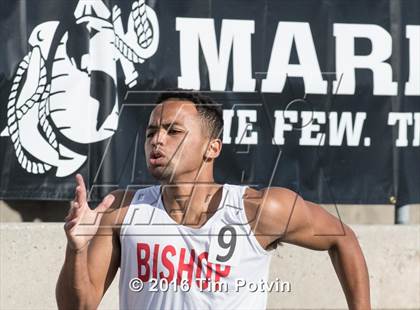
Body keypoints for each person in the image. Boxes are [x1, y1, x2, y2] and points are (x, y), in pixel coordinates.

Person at [56, 90, 371, 309]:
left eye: (173, 131)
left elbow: (343, 239)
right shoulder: (123, 210)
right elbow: (78, 307)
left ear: (212, 148)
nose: (157, 140)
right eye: (151, 131)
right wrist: (76, 250)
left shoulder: (259, 210)